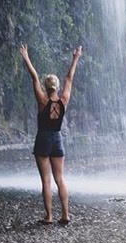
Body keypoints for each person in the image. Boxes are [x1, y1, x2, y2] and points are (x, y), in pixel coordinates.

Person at [19, 42, 82, 224]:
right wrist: (75, 58)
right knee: (60, 179)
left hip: (43, 139)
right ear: (57, 86)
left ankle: (48, 216)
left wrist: (26, 57)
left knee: (46, 181)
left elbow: (34, 77)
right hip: (57, 139)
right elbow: (69, 78)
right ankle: (65, 215)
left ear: (46, 87)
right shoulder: (64, 100)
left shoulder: (42, 100)